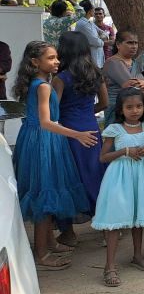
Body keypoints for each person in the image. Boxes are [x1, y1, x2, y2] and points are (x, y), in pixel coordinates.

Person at [12, 41, 96, 270]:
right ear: (34, 61)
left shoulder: (37, 83)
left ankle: (49, 242)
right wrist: (77, 134)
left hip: (36, 138)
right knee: (45, 194)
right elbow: (46, 122)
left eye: (57, 57)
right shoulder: (43, 87)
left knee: (46, 191)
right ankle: (41, 253)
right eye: (51, 58)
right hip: (43, 140)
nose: (57, 61)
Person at [92, 88, 144, 286]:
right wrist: (125, 151)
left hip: (143, 176)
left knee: (139, 217)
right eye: (129, 107)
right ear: (121, 109)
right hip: (120, 178)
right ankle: (109, 266)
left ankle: (137, 255)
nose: (135, 110)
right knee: (116, 218)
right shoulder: (115, 129)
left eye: (139, 106)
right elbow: (103, 157)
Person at [51, 32, 109, 247]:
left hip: (68, 132)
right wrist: (85, 114)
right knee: (95, 176)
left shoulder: (60, 78)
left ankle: (68, 233)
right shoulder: (96, 73)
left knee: (67, 179)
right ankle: (107, 228)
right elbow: (104, 103)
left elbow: (53, 110)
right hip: (91, 129)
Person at [102, 30, 144, 124]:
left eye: (136, 43)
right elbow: (133, 88)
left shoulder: (135, 63)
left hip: (136, 112)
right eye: (130, 43)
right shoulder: (113, 62)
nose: (134, 46)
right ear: (118, 44)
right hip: (118, 112)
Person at [74, 0, 107, 68]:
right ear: (90, 11)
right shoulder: (83, 24)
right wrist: (102, 39)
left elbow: (103, 33)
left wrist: (99, 37)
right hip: (89, 60)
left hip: (96, 59)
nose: (94, 11)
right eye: (93, 9)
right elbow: (96, 42)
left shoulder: (89, 22)